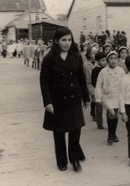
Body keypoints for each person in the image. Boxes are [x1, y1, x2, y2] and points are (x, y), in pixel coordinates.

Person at [40, 28, 90, 172]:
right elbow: (44, 81)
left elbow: (81, 78)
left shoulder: (76, 56)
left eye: (69, 40)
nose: (67, 43)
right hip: (57, 100)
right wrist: (47, 101)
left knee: (75, 131)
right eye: (63, 40)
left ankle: (74, 159)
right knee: (59, 132)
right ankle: (61, 161)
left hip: (74, 98)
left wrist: (86, 98)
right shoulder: (49, 58)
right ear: (56, 41)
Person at [95, 51, 126, 144]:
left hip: (117, 96)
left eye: (115, 58)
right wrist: (98, 98)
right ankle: (110, 135)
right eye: (111, 58)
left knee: (115, 115)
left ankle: (113, 133)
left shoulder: (121, 70)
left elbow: (125, 83)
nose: (113, 61)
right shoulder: (103, 71)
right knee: (111, 113)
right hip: (107, 96)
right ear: (108, 60)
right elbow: (98, 85)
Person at [91, 52, 107, 130]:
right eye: (102, 60)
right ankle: (99, 123)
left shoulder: (107, 69)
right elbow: (93, 82)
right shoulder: (95, 70)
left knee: (109, 107)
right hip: (99, 91)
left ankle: (110, 122)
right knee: (99, 108)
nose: (105, 62)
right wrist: (99, 88)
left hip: (107, 91)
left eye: (106, 60)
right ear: (98, 61)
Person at [84, 45, 98, 121]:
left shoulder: (97, 63)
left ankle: (94, 112)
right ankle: (93, 113)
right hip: (89, 83)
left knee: (95, 98)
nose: (95, 55)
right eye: (93, 53)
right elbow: (84, 74)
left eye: (96, 53)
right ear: (89, 54)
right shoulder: (86, 64)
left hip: (96, 83)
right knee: (93, 97)